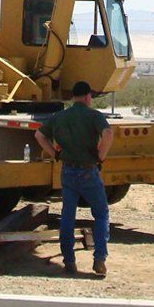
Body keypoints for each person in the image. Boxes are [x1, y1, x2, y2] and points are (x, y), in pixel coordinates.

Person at [35, 81, 114, 276]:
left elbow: (39, 135)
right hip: (89, 170)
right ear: (88, 97)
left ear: (73, 97)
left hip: (68, 170)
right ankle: (99, 258)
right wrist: (101, 156)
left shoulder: (60, 117)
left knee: (67, 217)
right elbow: (108, 133)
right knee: (101, 214)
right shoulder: (93, 115)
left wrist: (55, 153)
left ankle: (69, 261)